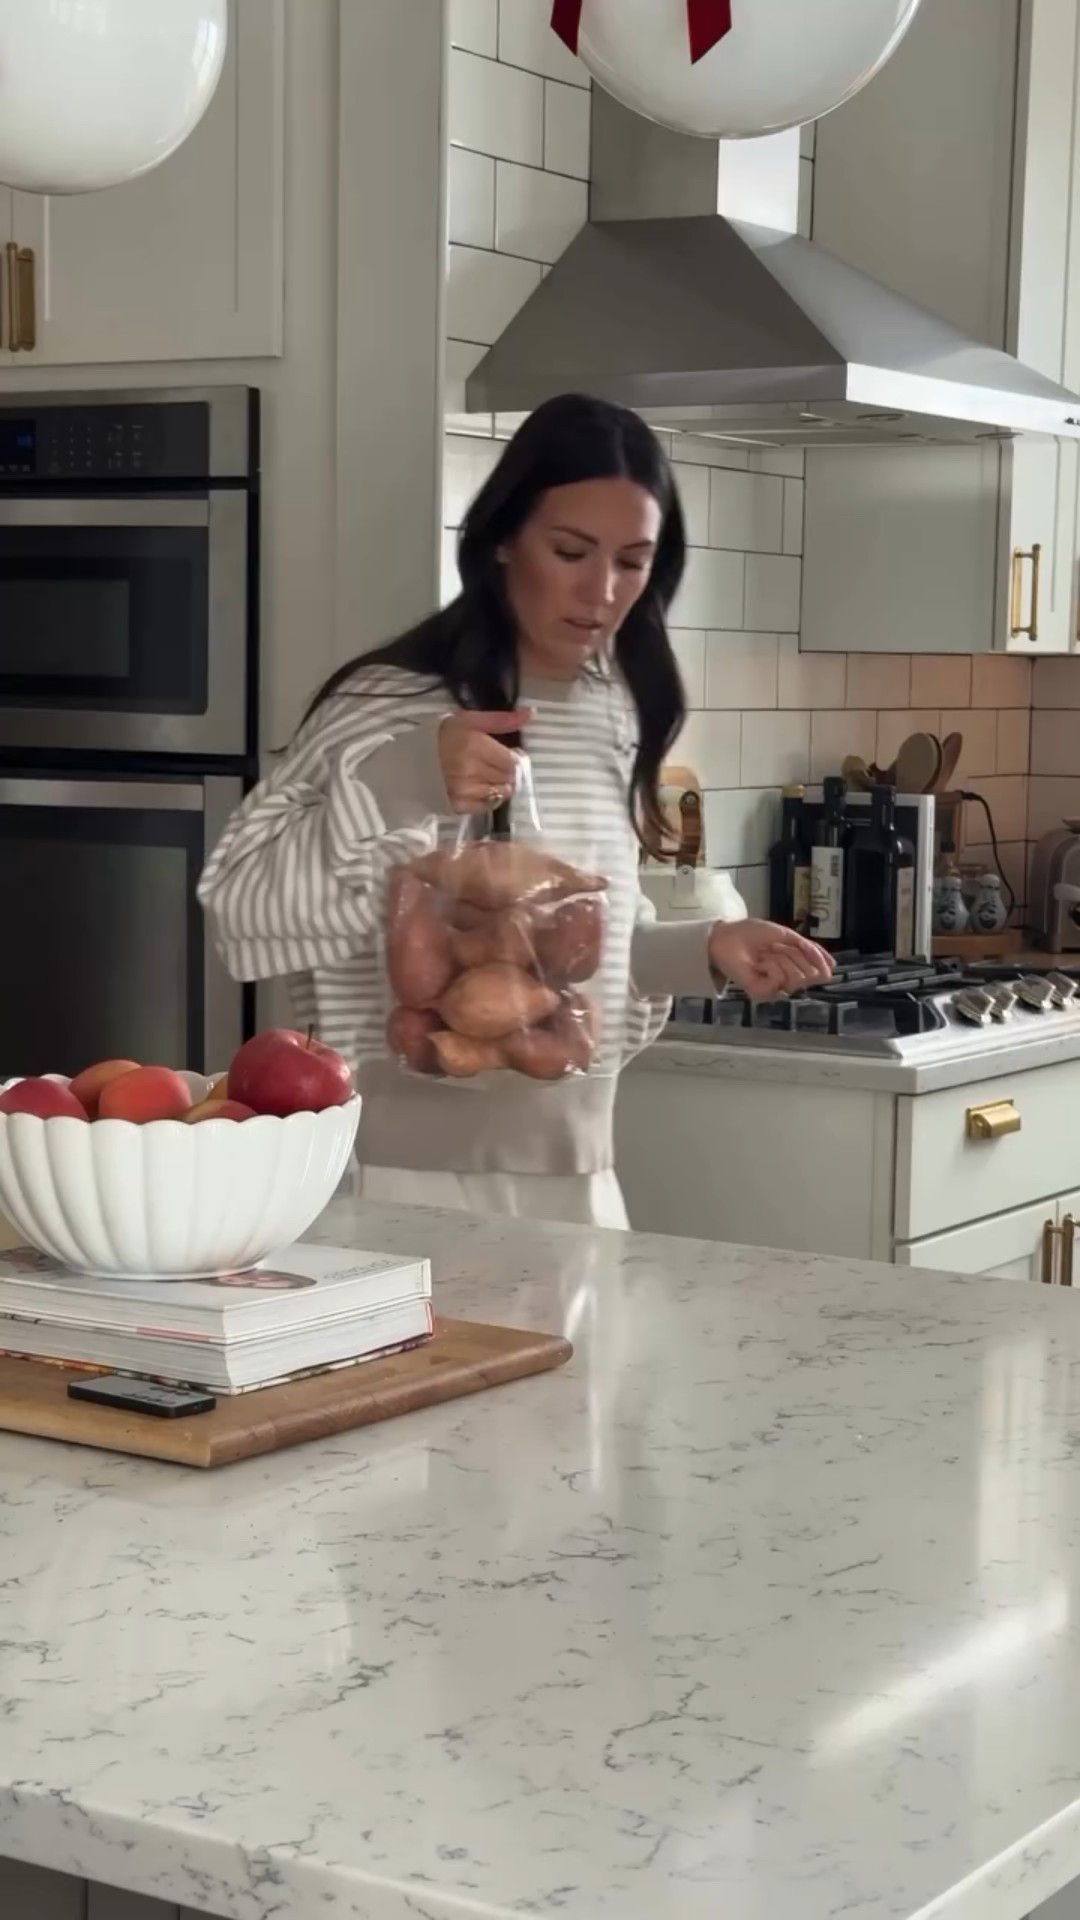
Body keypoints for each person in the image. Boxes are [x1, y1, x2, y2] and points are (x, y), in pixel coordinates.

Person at [199, 394, 832, 1229]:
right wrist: (407, 781)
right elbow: (237, 910)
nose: (602, 592)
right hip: (390, 1187)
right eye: (570, 551)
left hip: (577, 1191)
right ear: (503, 538)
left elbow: (566, 958)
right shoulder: (384, 705)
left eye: (633, 562)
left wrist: (706, 952)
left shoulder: (615, 712)